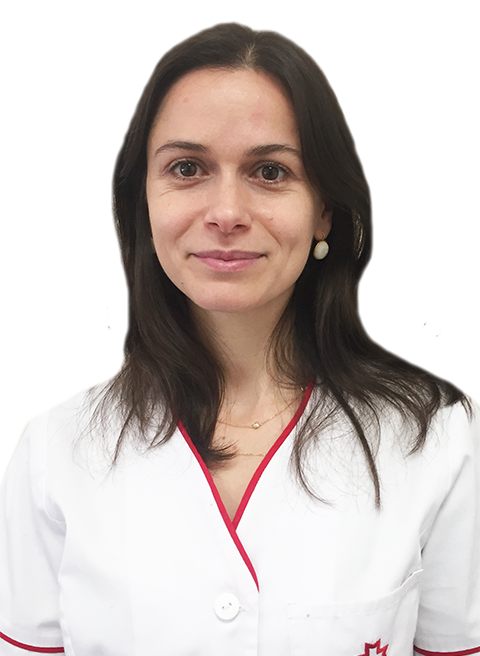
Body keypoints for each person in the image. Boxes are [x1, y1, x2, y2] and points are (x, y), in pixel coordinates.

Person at [0, 21, 479, 656]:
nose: (226, 213)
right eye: (187, 167)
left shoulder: (441, 438)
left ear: (324, 210)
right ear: (143, 200)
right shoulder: (52, 453)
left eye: (271, 171)